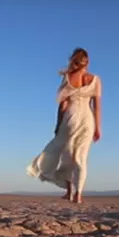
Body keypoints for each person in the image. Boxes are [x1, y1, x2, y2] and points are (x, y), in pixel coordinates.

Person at [26, 48, 102, 204]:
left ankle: (69, 192)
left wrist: (58, 125)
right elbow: (97, 107)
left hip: (71, 118)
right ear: (87, 62)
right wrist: (98, 127)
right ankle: (78, 195)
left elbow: (62, 106)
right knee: (81, 157)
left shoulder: (68, 78)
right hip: (87, 120)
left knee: (67, 155)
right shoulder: (95, 80)